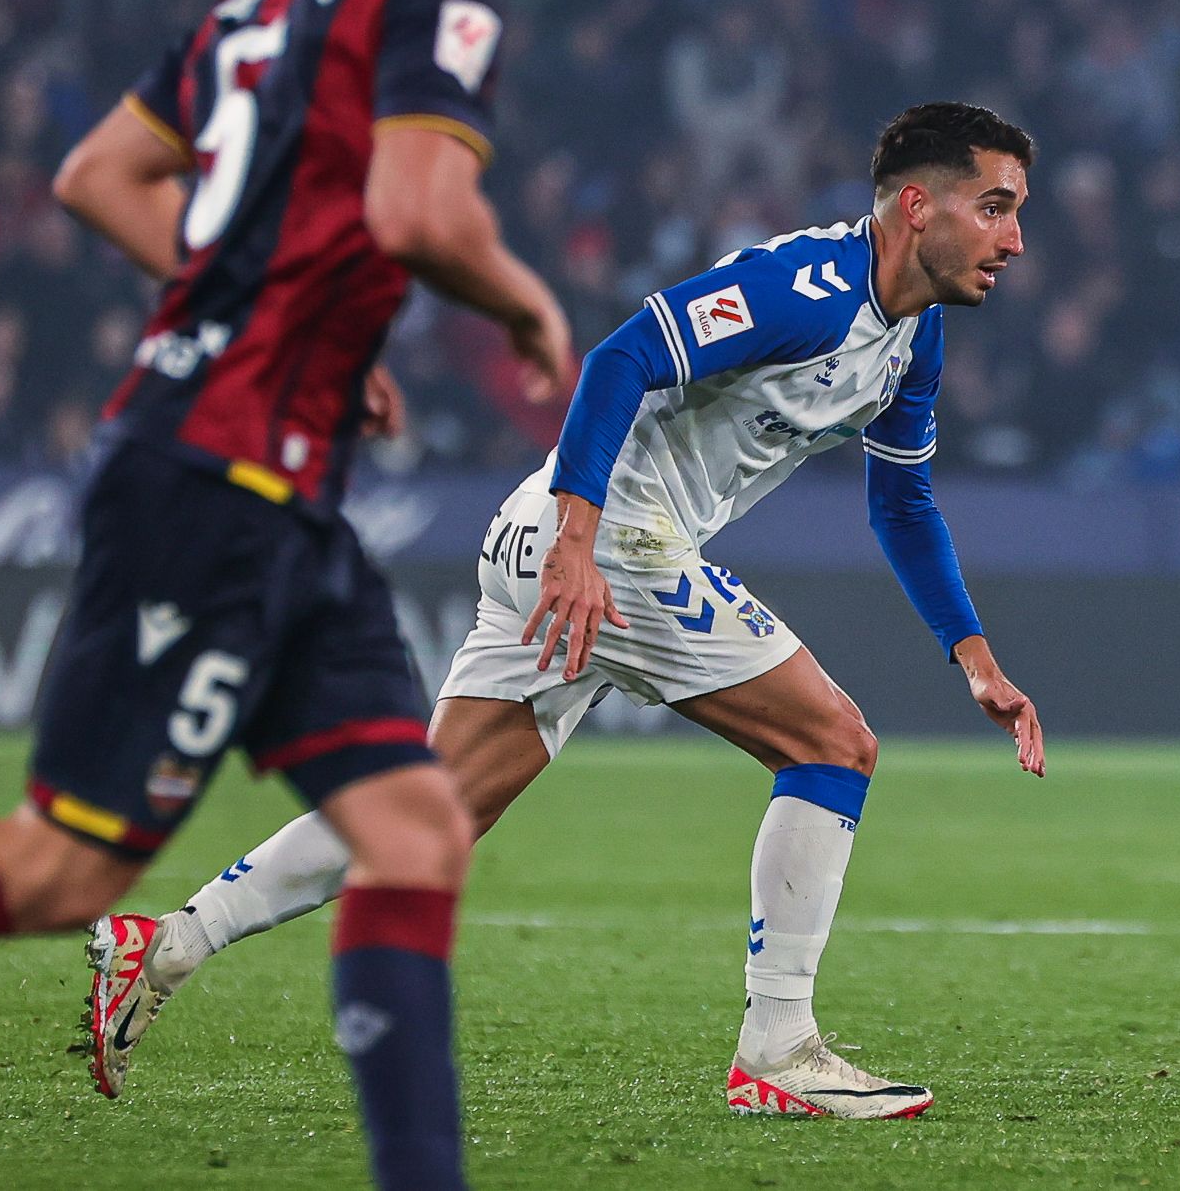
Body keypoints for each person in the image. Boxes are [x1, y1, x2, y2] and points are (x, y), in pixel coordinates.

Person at [100, 101, 1046, 1121]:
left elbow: (900, 498)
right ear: (918, 206)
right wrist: (579, 547)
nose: (1015, 238)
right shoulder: (804, 290)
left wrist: (974, 658)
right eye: (994, 208)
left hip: (568, 541)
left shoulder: (915, 339)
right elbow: (620, 358)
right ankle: (779, 1047)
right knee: (835, 743)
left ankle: (167, 943)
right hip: (606, 540)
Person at [0, 0, 571, 1188]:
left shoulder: (256, 18)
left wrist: (284, 318)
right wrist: (521, 301)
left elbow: (99, 176)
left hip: (269, 481)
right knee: (57, 873)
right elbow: (419, 209)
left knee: (415, 826)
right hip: (216, 481)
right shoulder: (428, 15)